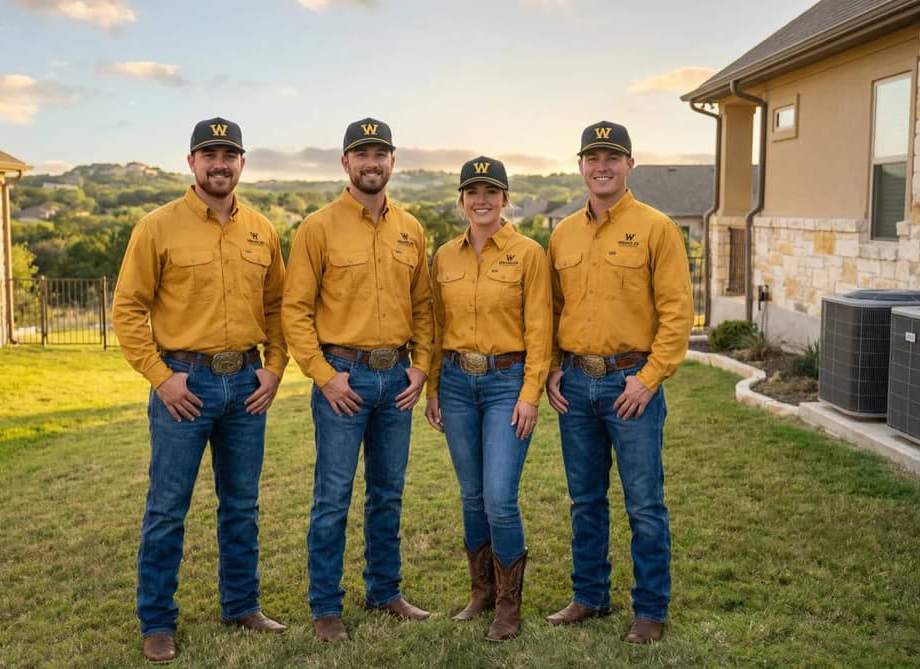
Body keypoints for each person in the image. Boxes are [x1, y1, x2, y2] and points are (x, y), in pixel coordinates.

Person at [112, 117, 289, 664]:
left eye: (229, 155)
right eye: (209, 155)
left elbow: (277, 307)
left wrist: (274, 368)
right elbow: (127, 309)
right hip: (184, 385)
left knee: (242, 505)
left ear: (242, 163)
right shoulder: (157, 227)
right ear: (191, 162)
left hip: (247, 384)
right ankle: (157, 622)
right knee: (168, 508)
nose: (220, 164)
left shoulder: (261, 230)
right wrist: (160, 377)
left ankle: (241, 605)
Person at [281, 117, 435, 642]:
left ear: (392, 161)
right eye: (362, 154)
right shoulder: (317, 228)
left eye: (380, 153)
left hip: (397, 379)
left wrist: (421, 366)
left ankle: (385, 591)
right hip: (341, 380)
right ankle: (326, 607)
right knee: (333, 496)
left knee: (388, 493)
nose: (372, 163)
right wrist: (325, 377)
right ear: (345, 162)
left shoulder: (411, 228)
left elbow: (423, 307)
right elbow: (295, 311)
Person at [543, 121, 693, 644]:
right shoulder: (563, 233)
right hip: (576, 384)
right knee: (585, 500)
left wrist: (648, 380)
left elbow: (677, 313)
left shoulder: (657, 228)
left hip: (632, 385)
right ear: (580, 165)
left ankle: (650, 609)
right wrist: (555, 366)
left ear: (630, 164)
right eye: (593, 157)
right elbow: (553, 308)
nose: (602, 166)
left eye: (612, 157)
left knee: (644, 503)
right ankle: (589, 596)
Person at [423, 156, 552, 641]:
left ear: (505, 199)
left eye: (491, 192)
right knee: (472, 495)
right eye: (473, 192)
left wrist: (530, 393)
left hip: (506, 383)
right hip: (457, 383)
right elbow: (436, 327)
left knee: (499, 496)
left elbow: (540, 329)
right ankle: (481, 591)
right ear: (461, 200)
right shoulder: (444, 257)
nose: (482, 200)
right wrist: (434, 387)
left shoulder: (529, 254)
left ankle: (508, 604)